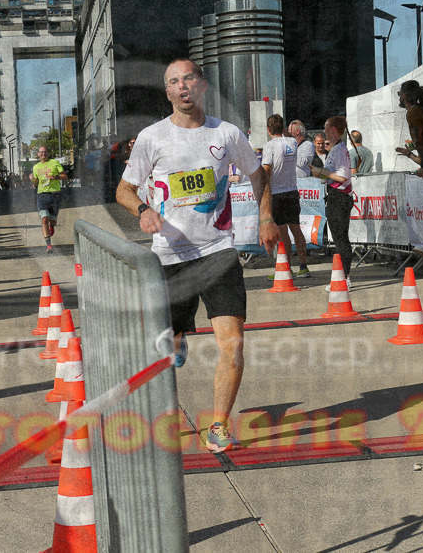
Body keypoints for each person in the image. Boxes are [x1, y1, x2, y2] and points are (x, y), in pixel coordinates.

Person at [117, 59, 279, 454]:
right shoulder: (151, 137)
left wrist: (267, 217)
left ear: (203, 85)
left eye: (188, 77)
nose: (182, 86)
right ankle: (178, 334)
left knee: (233, 343)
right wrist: (143, 211)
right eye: (174, 81)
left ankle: (219, 425)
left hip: (218, 252)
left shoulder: (226, 133)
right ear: (168, 92)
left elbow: (258, 174)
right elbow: (124, 189)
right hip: (170, 255)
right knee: (166, 346)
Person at [262, 114, 309, 277]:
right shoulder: (292, 142)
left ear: (268, 130)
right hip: (292, 191)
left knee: (283, 233)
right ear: (283, 128)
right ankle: (303, 266)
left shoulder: (269, 146)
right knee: (296, 229)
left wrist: (262, 186)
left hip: (277, 192)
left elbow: (267, 171)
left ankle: (286, 268)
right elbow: (287, 137)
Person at [310, 116, 354, 285]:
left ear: (333, 130)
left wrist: (322, 171)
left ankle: (344, 277)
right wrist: (320, 172)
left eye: (326, 128)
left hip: (339, 197)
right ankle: (344, 276)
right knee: (339, 238)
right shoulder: (337, 149)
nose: (324, 131)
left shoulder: (338, 150)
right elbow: (333, 175)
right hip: (336, 195)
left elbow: (342, 177)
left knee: (340, 238)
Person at [394, 80, 423, 176]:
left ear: (405, 96)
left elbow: (418, 140)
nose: (399, 97)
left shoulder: (413, 112)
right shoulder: (422, 109)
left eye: (400, 94)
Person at [30, 145, 67, 253]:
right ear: (38, 154)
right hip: (42, 195)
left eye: (45, 152)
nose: (43, 154)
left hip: (55, 195)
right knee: (44, 219)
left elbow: (65, 176)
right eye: (41, 152)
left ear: (48, 153)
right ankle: (49, 246)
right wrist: (32, 179)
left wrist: (56, 177)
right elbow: (36, 183)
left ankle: (52, 225)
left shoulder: (55, 163)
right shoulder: (36, 167)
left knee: (52, 221)